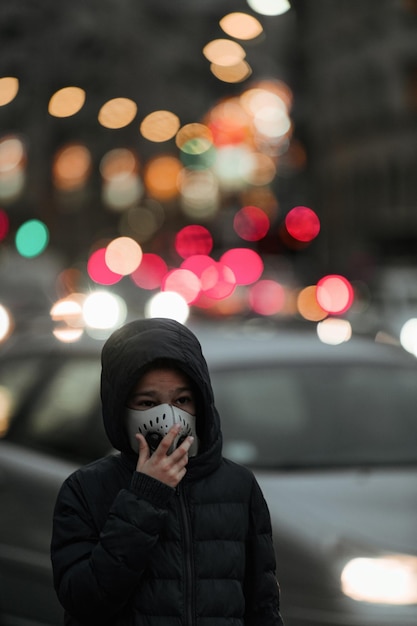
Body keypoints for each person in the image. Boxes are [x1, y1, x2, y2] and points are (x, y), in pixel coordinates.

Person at [50, 317, 284, 626]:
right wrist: (144, 498)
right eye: (148, 402)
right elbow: (84, 601)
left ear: (201, 403)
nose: (168, 416)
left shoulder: (238, 486)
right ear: (120, 409)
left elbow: (262, 605)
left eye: (182, 400)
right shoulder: (86, 489)